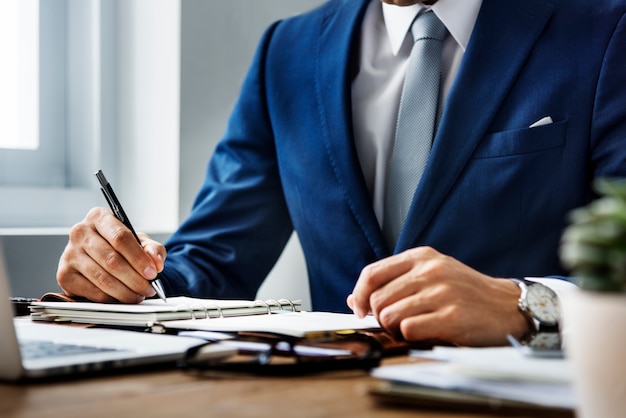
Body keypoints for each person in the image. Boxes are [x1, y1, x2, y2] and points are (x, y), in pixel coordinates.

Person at [56, 0, 626, 347]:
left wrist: (525, 306)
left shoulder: (604, 32)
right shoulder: (289, 50)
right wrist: (126, 280)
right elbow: (213, 259)